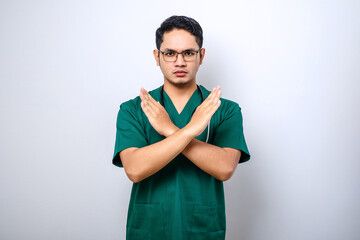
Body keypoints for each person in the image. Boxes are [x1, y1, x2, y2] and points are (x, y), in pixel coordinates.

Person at [112, 15, 250, 240]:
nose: (179, 62)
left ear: (201, 56)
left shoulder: (224, 110)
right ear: (157, 57)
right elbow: (134, 169)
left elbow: (225, 168)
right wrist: (189, 130)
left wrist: (169, 129)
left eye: (188, 53)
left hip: (201, 229)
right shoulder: (133, 110)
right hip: (150, 228)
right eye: (170, 53)